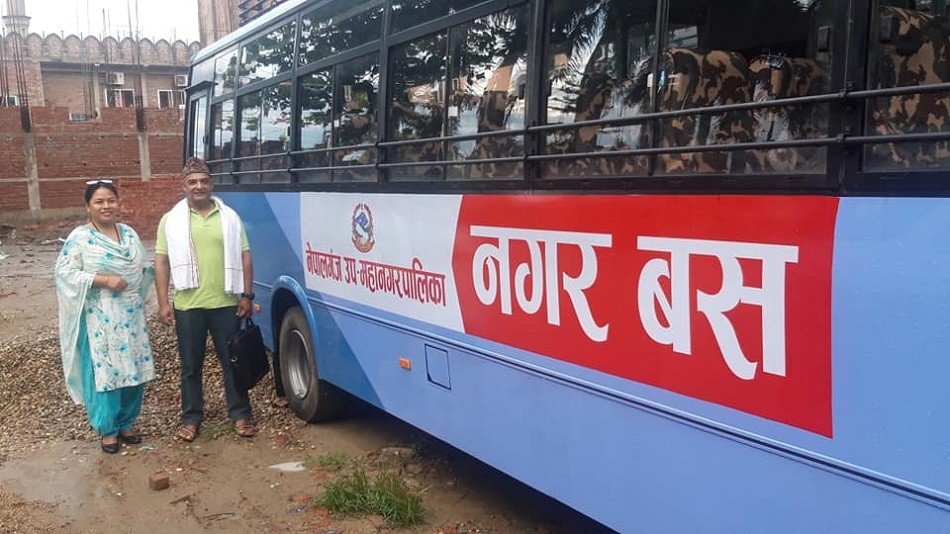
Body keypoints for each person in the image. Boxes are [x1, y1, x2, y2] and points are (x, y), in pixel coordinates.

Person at [154, 157, 257, 442]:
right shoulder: (170, 220)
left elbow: (245, 256)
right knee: (190, 367)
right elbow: (161, 261)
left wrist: (247, 295)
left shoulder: (229, 217)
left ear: (211, 184)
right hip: (188, 306)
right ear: (184, 186)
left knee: (232, 362)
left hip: (225, 303)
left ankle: (240, 414)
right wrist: (163, 302)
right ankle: (191, 418)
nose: (198, 186)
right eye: (192, 182)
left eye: (203, 181)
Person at [55, 180, 155, 454]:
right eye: (99, 201)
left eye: (111, 200)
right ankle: (108, 429)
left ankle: (126, 422)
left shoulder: (129, 234)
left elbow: (142, 267)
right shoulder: (80, 238)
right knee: (107, 371)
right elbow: (65, 273)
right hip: (99, 316)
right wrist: (103, 279)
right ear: (88, 207)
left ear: (118, 203)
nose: (106, 206)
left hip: (131, 315)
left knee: (133, 368)